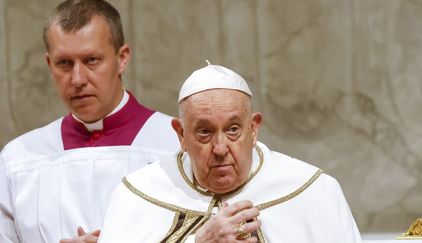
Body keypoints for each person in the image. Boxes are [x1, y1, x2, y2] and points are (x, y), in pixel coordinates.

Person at [98, 63, 362, 242]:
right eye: (204, 132)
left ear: (254, 128)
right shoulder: (137, 195)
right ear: (181, 135)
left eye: (233, 129)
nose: (221, 148)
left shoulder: (314, 192)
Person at [0, 0, 179, 242]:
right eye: (64, 63)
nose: (77, 79)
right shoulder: (18, 159)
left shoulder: (177, 144)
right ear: (49, 65)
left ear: (122, 58)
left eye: (91, 60)